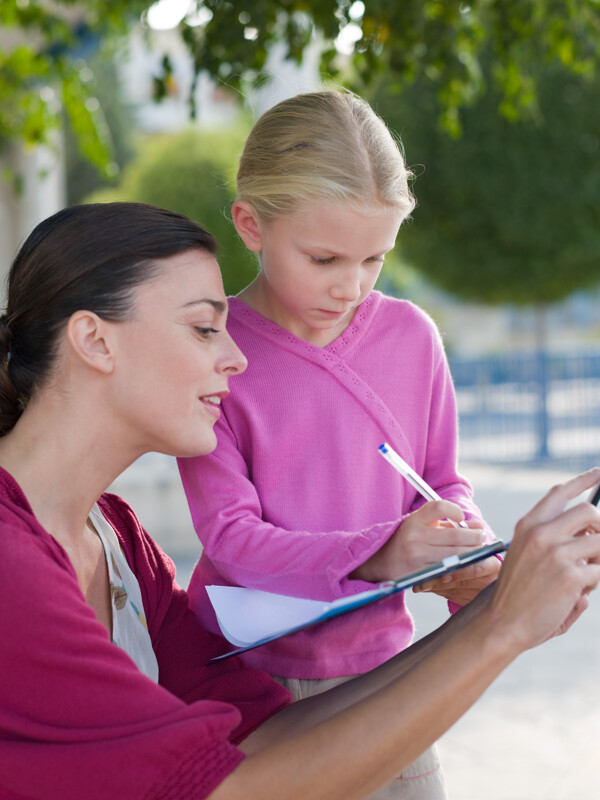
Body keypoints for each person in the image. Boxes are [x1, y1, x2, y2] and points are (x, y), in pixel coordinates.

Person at [1, 201, 600, 800]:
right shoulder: (11, 560)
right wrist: (501, 627)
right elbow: (228, 790)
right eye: (206, 327)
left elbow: (258, 733)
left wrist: (497, 608)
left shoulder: (120, 542)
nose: (236, 357)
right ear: (94, 341)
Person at [177, 89, 499, 797]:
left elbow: (443, 481)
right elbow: (230, 539)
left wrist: (460, 546)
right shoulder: (214, 353)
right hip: (245, 678)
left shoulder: (413, 338)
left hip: (387, 674)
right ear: (251, 224)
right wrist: (387, 550)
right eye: (324, 259)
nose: (349, 287)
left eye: (374, 258)